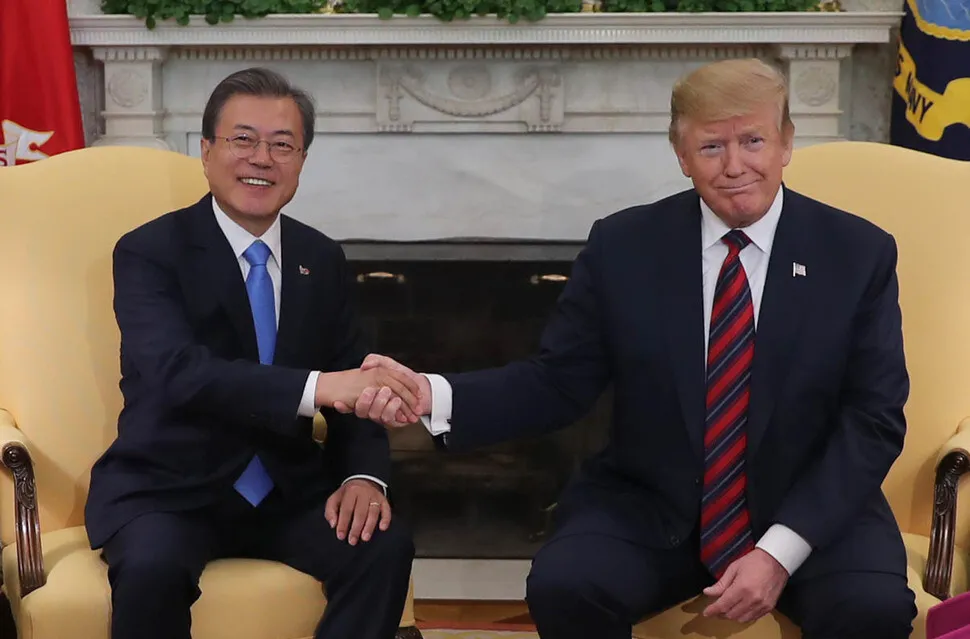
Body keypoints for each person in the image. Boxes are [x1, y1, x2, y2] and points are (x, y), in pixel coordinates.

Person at [343, 58, 918, 638]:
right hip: (651, 502)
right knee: (565, 585)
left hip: (813, 510)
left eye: (753, 141)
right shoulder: (624, 246)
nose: (736, 165)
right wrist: (431, 395)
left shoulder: (857, 253)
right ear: (681, 154)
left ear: (787, 143)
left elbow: (872, 419)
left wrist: (780, 551)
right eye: (712, 146)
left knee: (873, 611)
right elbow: (557, 383)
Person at [84, 67, 424, 639]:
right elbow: (177, 373)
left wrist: (365, 476)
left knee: (383, 547)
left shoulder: (322, 256)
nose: (261, 158)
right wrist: (318, 387)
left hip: (286, 489)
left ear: (301, 161)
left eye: (282, 144)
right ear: (207, 150)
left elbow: (355, 378)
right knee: (152, 570)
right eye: (243, 139)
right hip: (170, 488)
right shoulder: (149, 251)